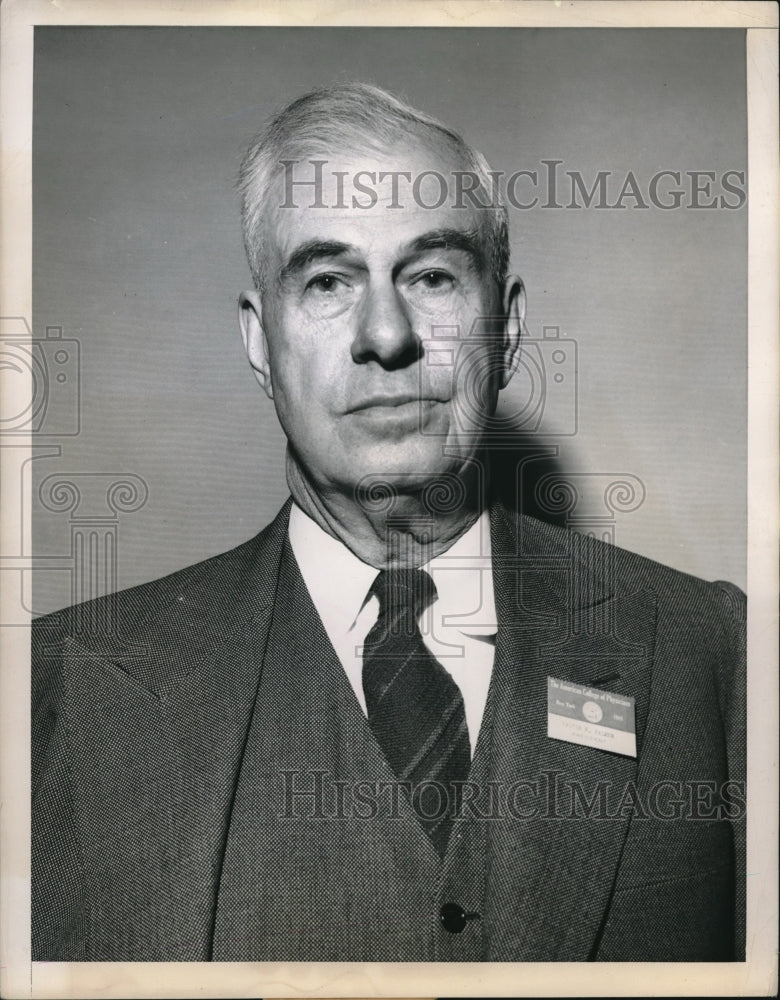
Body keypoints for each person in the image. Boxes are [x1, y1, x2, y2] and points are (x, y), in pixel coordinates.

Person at [32, 83, 745, 963]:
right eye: (328, 281)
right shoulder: (49, 693)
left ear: (507, 325)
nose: (386, 333)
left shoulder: (710, 652)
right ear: (261, 343)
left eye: (433, 275)